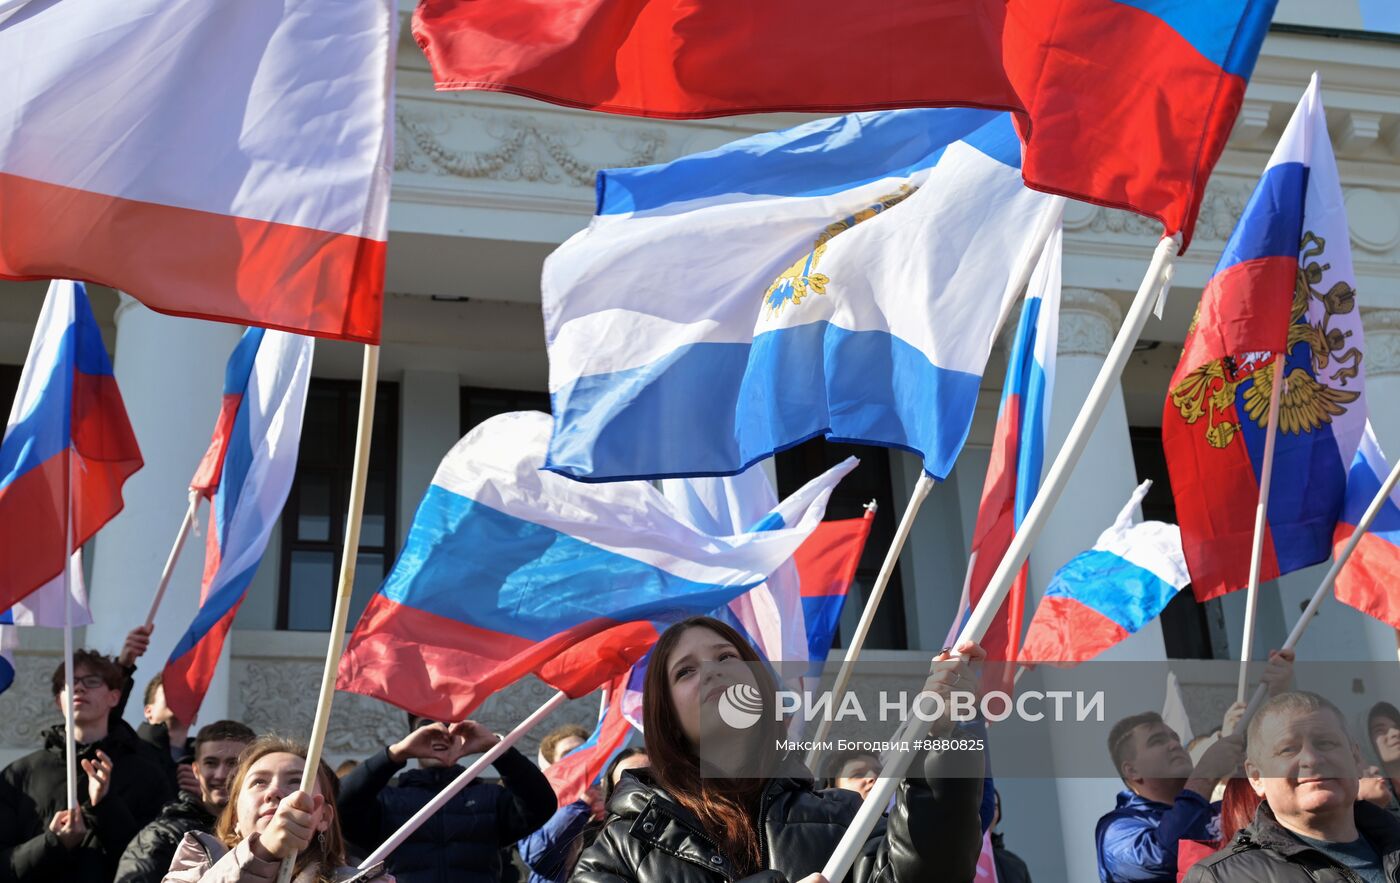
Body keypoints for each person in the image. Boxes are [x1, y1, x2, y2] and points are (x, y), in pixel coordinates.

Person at [571, 615, 986, 883]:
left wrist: (939, 737)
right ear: (667, 717)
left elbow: (930, 874)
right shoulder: (621, 846)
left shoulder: (841, 816)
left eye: (726, 656)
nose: (712, 672)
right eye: (686, 671)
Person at [1097, 649, 1294, 883]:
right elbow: (1161, 858)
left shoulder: (1216, 808)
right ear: (1132, 771)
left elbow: (1285, 805)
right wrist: (1206, 774)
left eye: (1174, 738)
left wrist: (1278, 697)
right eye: (1157, 741)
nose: (1174, 745)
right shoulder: (1117, 830)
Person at [1183, 691, 1400, 881]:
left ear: (1355, 757)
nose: (1312, 759)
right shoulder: (1221, 878)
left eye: (1326, 743)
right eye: (1288, 749)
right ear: (1257, 777)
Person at [0, 648, 174, 881]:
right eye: (69, 683)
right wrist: (53, 842)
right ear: (58, 700)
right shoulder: (19, 774)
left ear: (114, 696)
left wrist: (105, 806)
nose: (79, 688)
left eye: (92, 681)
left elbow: (158, 863)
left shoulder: (147, 773)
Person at [336, 715, 556, 883]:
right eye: (427, 727)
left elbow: (542, 804)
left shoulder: (490, 798)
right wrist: (394, 754)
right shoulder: (387, 801)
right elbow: (339, 807)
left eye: (448, 725)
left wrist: (498, 750)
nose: (439, 734)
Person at [164, 735, 395, 883]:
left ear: (323, 816)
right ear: (234, 816)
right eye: (259, 782)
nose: (274, 792)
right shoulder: (195, 862)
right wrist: (262, 852)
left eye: (296, 782)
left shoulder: (371, 881)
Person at [116, 720, 257, 883]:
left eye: (232, 763)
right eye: (211, 763)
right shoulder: (161, 837)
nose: (220, 775)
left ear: (252, 769)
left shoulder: (267, 831)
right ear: (196, 770)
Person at [520, 748, 649, 883]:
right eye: (570, 754)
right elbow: (538, 857)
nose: (642, 788)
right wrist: (580, 806)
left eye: (647, 779)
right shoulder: (539, 807)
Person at [991, 789, 1032, 883]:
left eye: (994, 807)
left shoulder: (1016, 866)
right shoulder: (956, 861)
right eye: (983, 806)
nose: (988, 813)